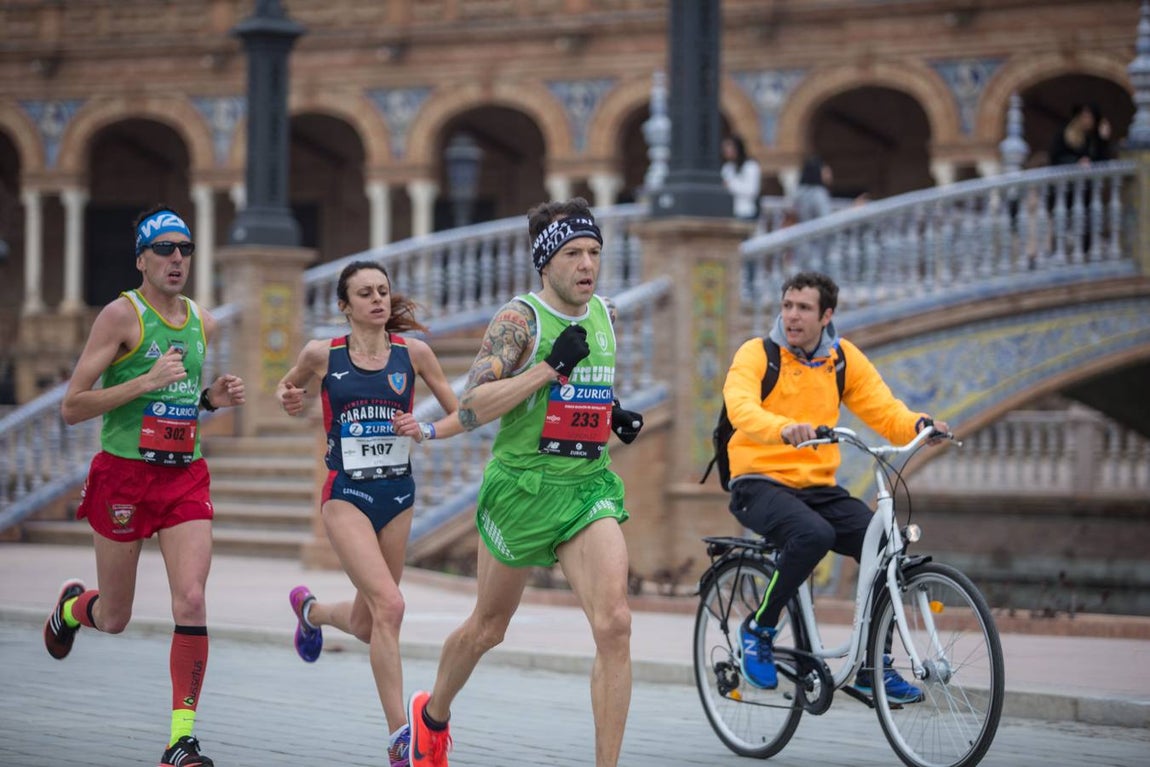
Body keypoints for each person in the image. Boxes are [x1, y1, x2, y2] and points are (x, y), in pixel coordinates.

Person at [392, 197, 645, 767]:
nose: (587, 264)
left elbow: (580, 394)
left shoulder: (603, 313)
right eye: (574, 253)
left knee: (616, 624)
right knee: (488, 627)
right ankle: (431, 718)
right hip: (521, 490)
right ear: (545, 263)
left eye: (595, 252)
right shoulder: (519, 320)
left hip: (585, 487)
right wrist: (547, 368)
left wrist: (612, 412)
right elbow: (475, 405)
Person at [46, 204, 246, 767]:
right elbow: (71, 407)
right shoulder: (120, 317)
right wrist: (143, 383)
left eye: (184, 248)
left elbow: (182, 402)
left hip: (184, 474)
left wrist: (212, 400)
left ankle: (181, 740)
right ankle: (69, 610)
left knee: (192, 597)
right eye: (164, 249)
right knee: (114, 617)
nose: (177, 258)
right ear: (141, 259)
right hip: (124, 475)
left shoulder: (202, 321)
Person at [722, 271, 949, 702]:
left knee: (884, 544)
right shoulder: (757, 354)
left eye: (804, 308)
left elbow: (884, 411)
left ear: (827, 315)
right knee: (813, 535)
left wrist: (920, 424)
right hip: (758, 482)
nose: (792, 315)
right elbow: (741, 408)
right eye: (787, 305)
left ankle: (870, 665)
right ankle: (759, 628)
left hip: (816, 486)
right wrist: (783, 428)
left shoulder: (842, 360)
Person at [276, 260, 458, 767]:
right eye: (365, 293)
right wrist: (289, 398)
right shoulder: (322, 354)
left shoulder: (414, 354)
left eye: (383, 291)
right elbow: (287, 389)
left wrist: (421, 427)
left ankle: (310, 613)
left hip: (397, 495)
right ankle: (401, 735)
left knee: (366, 620)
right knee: (392, 608)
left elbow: (456, 412)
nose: (378, 300)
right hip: (345, 495)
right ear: (345, 306)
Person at [1049, 102, 1112, 167]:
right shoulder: (1065, 133)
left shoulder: (1093, 139)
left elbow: (1101, 161)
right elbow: (1056, 157)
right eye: (1084, 116)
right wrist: (1076, 161)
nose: (1086, 120)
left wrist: (1103, 141)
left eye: (1090, 117)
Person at [720, 134, 762, 223]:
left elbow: (752, 190)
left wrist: (730, 185)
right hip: (729, 212)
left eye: (729, 147)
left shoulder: (751, 166)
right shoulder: (727, 168)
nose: (726, 151)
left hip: (746, 212)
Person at [792, 155, 834, 224]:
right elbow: (826, 219)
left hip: (801, 231)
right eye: (826, 172)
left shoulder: (799, 191)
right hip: (815, 232)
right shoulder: (819, 193)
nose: (829, 175)